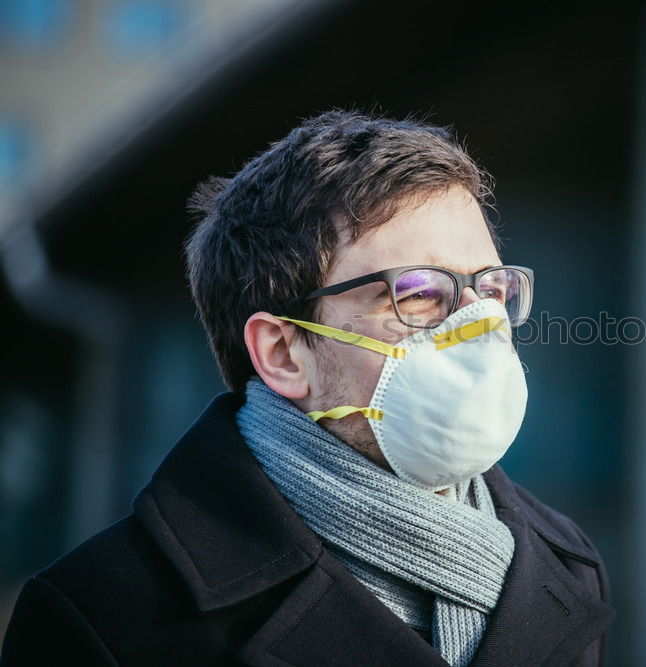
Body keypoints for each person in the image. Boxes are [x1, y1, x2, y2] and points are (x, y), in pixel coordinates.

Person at [1, 109, 614, 666]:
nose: (478, 324)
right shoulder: (106, 615)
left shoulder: (565, 564)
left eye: (491, 288)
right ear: (283, 353)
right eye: (421, 293)